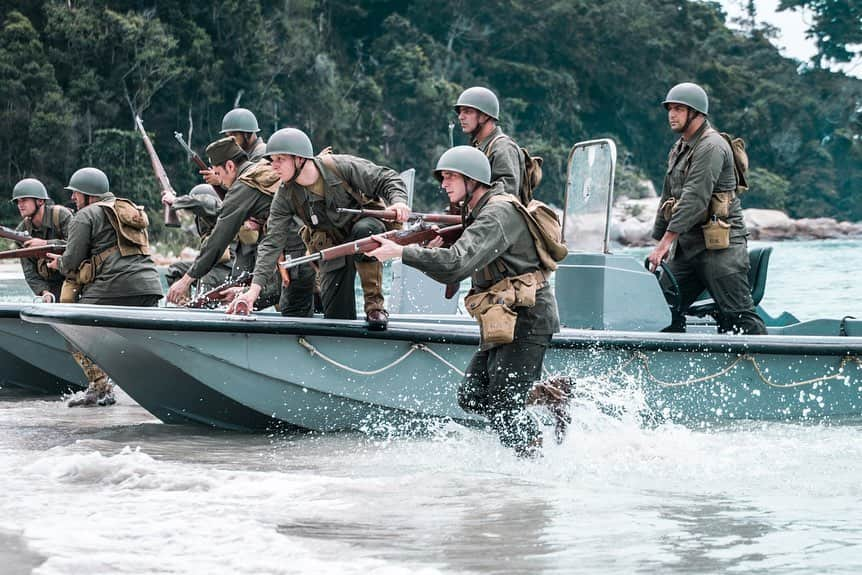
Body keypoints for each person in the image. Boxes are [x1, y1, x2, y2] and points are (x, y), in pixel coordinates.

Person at [367, 146, 560, 456]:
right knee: (472, 397)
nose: (444, 184)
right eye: (443, 178)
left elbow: (457, 265)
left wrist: (400, 252)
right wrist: (439, 243)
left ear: (473, 179)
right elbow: (463, 258)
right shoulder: (476, 211)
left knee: (504, 408)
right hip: (501, 315)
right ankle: (546, 393)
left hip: (528, 317)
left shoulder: (497, 212)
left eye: (450, 177)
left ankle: (534, 469)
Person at [227, 127, 410, 329]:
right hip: (331, 245)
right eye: (272, 160)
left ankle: (375, 307)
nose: (274, 166)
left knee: (366, 229)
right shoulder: (285, 194)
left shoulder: (340, 167)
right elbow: (272, 243)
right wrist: (253, 292)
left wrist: (399, 202)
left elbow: (387, 178)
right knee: (336, 317)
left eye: (280, 159)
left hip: (364, 233)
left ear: (299, 159)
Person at [647, 82, 767, 335]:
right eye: (670, 108)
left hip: (720, 247)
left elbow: (695, 198)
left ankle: (769, 367)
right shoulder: (679, 148)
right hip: (689, 246)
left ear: (697, 113)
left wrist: (666, 243)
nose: (672, 114)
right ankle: (669, 364)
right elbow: (668, 197)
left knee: (738, 314)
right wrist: (658, 242)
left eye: (679, 109)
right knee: (661, 306)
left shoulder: (711, 146)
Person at [46, 167, 164, 406]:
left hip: (114, 286)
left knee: (72, 330)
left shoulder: (85, 215)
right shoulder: (126, 210)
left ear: (90, 196)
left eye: (76, 193)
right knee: (138, 340)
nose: (73, 198)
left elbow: (71, 263)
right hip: (150, 285)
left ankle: (100, 388)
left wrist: (57, 263)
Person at [166, 137, 309, 314]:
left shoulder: (243, 186)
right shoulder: (261, 170)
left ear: (230, 166)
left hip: (297, 257)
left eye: (218, 174)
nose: (220, 182)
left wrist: (186, 280)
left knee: (293, 316)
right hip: (305, 250)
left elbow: (218, 240)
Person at [454, 86, 525, 202]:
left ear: (484, 115)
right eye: (460, 112)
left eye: (467, 112)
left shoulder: (503, 148)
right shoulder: (478, 147)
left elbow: (507, 195)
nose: (461, 117)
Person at [162, 184, 233, 292]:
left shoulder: (218, 208)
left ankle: (202, 306)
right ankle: (183, 305)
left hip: (227, 267)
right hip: (211, 263)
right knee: (176, 269)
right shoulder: (202, 217)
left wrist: (176, 200)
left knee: (206, 278)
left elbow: (203, 203)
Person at [10, 178, 72, 302]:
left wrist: (44, 244)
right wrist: (44, 292)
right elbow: (30, 271)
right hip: (50, 286)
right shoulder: (21, 231)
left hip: (73, 279)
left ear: (40, 201)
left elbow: (76, 247)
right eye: (18, 201)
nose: (20, 205)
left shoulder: (61, 216)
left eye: (24, 200)